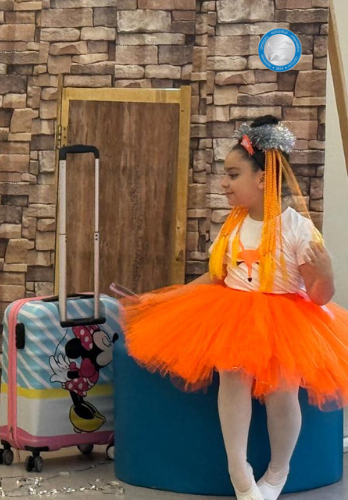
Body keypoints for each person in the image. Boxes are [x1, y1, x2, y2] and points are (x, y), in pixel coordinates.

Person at [123, 116, 348, 500]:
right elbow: (217, 277)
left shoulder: (297, 229)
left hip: (285, 319)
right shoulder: (233, 226)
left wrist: (326, 274)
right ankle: (238, 468)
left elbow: (319, 295)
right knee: (232, 375)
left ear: (262, 178)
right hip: (234, 312)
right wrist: (167, 298)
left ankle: (277, 471)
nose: (224, 184)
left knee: (282, 389)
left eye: (232, 175)